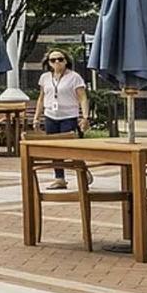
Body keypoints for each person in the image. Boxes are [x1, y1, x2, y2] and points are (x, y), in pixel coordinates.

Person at [35, 50, 89, 189]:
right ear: (48, 63)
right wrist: (37, 117)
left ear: (66, 61)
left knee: (70, 147)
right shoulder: (45, 78)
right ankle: (59, 178)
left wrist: (85, 117)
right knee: (54, 148)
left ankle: (82, 170)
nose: (57, 62)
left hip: (68, 116)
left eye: (60, 59)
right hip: (50, 115)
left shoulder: (74, 77)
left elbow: (82, 98)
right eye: (53, 60)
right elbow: (41, 98)